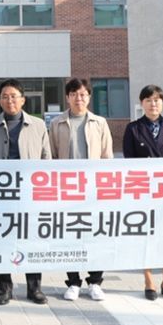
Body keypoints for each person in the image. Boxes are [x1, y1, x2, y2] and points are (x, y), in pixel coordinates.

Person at [0, 79, 51, 305]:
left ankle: (34, 288)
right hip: (1, 194)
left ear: (23, 99)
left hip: (29, 194)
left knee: (32, 239)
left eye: (14, 96)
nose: (9, 100)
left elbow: (46, 159)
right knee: (2, 239)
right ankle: (5, 288)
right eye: (4, 96)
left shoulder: (38, 125)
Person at [49, 77, 113, 302]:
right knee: (70, 236)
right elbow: (52, 156)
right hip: (67, 191)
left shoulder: (99, 123)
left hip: (93, 190)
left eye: (83, 94)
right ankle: (73, 281)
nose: (79, 98)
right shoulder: (57, 123)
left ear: (89, 97)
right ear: (67, 97)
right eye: (74, 94)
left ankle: (95, 281)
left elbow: (107, 157)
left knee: (96, 235)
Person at [123, 84, 163, 301]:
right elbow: (129, 162)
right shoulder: (133, 128)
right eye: (148, 100)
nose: (153, 104)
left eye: (157, 100)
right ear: (142, 103)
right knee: (147, 235)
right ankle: (148, 279)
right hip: (144, 191)